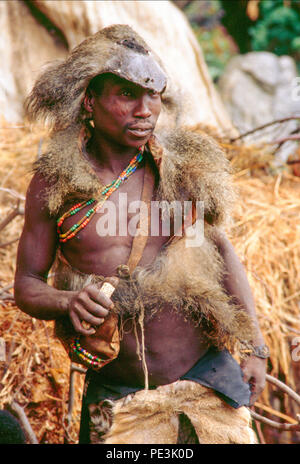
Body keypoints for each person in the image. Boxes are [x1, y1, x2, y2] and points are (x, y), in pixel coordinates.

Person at [14, 24, 268, 444]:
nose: (145, 109)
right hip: (120, 396)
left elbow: (221, 250)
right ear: (89, 101)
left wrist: (256, 348)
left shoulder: (182, 169)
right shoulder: (53, 183)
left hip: (208, 381)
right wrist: (69, 300)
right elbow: (26, 285)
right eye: (127, 95)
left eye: (153, 95)